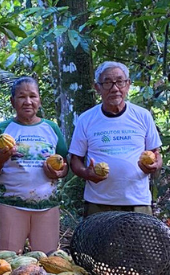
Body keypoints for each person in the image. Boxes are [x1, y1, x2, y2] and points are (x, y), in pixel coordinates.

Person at [0, 76, 68, 254]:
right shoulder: (2, 130)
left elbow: (64, 164)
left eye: (33, 96)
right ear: (12, 101)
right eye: (22, 96)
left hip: (47, 206)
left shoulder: (51, 128)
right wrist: (0, 159)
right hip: (11, 205)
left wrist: (58, 173)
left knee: (48, 261)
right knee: (8, 263)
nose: (28, 101)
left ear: (39, 100)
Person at [69, 61, 163, 217]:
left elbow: (156, 154)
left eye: (120, 82)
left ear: (128, 85)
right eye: (107, 83)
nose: (114, 88)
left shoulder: (142, 116)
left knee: (138, 242)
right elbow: (75, 160)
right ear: (97, 87)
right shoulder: (86, 119)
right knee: (97, 242)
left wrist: (154, 166)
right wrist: (87, 173)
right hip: (98, 203)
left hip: (137, 202)